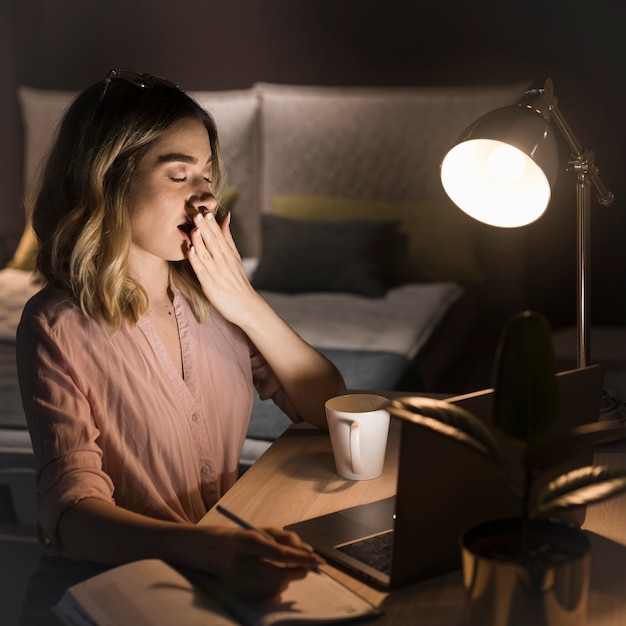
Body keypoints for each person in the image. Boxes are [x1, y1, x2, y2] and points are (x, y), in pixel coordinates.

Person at [16, 69, 346, 621]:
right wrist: (212, 548)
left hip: (219, 578)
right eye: (180, 175)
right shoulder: (55, 326)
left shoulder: (214, 301)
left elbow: (329, 404)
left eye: (208, 175)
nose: (206, 196)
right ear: (110, 179)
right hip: (114, 596)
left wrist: (245, 301)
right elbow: (72, 515)